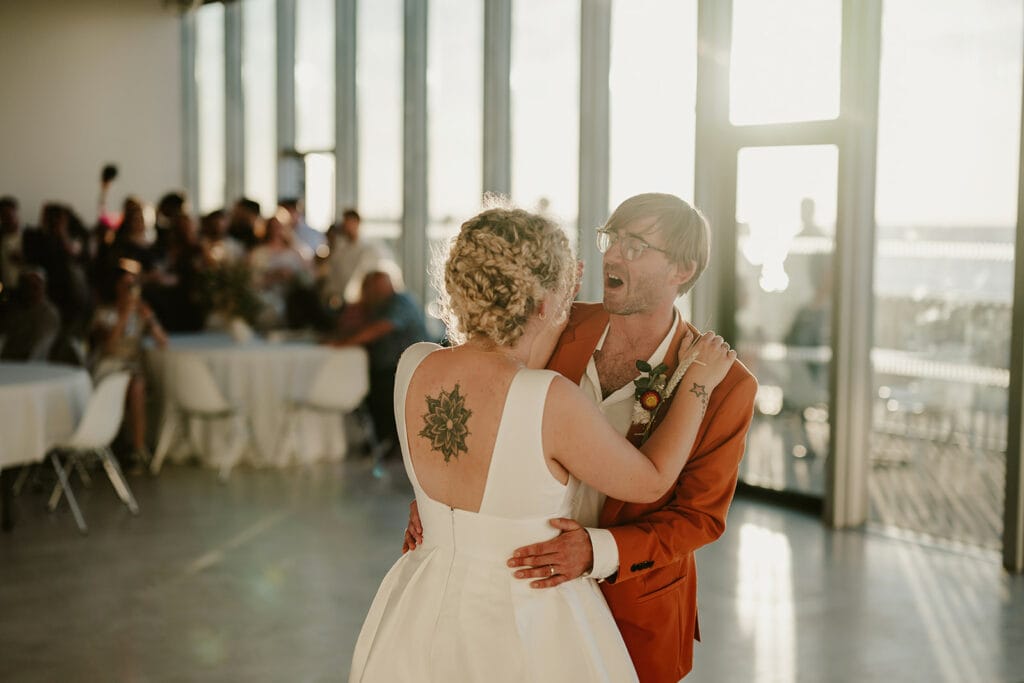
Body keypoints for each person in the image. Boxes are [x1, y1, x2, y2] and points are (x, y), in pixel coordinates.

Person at [349, 206, 736, 682]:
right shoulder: (549, 389)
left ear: (683, 270)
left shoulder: (414, 362)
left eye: (634, 246)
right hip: (534, 606)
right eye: (609, 238)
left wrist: (444, 506)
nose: (611, 255)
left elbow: (700, 516)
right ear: (542, 303)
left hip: (430, 593)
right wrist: (696, 384)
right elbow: (652, 479)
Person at [330, 270, 430, 446]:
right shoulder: (377, 306)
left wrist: (344, 343)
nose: (371, 291)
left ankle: (390, 441)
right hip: (387, 366)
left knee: (377, 392)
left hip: (405, 368)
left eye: (375, 286)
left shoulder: (400, 302)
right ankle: (382, 440)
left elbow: (380, 328)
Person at [90, 267, 168, 468]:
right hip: (108, 367)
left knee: (137, 384)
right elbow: (107, 347)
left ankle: (138, 448)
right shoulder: (104, 312)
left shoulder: (140, 313)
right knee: (135, 383)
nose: (131, 290)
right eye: (127, 285)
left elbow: (162, 342)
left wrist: (149, 318)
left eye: (134, 285)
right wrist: (123, 315)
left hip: (131, 368)